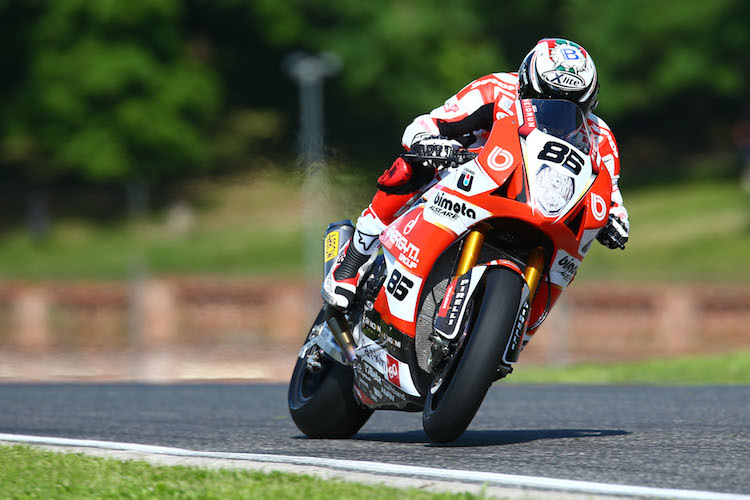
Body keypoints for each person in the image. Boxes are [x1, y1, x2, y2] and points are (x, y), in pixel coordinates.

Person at [322, 38, 630, 316]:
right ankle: (351, 261)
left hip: (540, 203)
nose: (558, 116)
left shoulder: (601, 136)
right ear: (526, 84)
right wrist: (430, 142)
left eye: (572, 107)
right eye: (547, 102)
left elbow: (610, 192)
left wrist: (616, 217)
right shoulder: (495, 89)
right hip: (472, 174)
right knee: (410, 166)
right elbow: (428, 124)